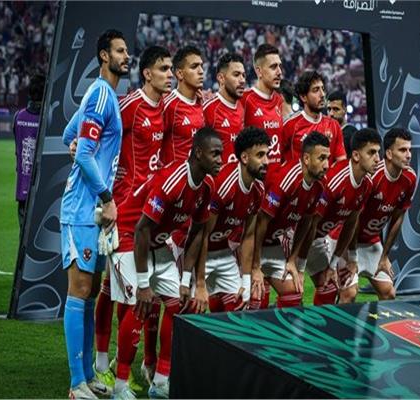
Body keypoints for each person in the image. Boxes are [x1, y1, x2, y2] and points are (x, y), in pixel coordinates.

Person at [112, 127, 222, 399]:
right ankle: (120, 385)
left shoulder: (207, 186)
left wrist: (186, 280)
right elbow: (141, 229)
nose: (221, 159)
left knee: (179, 304)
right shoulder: (172, 181)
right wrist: (143, 284)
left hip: (158, 242)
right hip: (128, 235)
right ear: (198, 153)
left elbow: (197, 233)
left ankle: (160, 381)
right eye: (215, 154)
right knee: (140, 304)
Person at [93, 45, 173, 392]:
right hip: (124, 212)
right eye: (163, 69)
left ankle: (115, 365)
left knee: (126, 293)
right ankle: (105, 367)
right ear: (147, 74)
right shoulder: (129, 105)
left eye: (171, 69)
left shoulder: (166, 108)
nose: (169, 75)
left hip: (150, 214)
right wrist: (107, 194)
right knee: (123, 294)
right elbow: (94, 136)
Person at [59, 29, 129, 399]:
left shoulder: (103, 95)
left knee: (88, 295)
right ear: (104, 55)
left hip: (94, 211)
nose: (125, 56)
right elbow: (84, 153)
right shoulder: (102, 94)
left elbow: (70, 135)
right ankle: (76, 384)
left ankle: (87, 375)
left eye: (126, 51)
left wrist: (77, 145)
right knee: (80, 291)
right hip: (83, 208)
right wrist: (107, 197)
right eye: (119, 51)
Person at [301, 128, 381, 305]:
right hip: (297, 237)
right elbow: (310, 223)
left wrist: (339, 262)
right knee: (292, 290)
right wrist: (298, 264)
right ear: (356, 155)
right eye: (372, 153)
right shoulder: (335, 181)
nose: (377, 159)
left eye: (378, 152)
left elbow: (351, 223)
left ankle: (321, 323)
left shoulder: (367, 184)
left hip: (317, 239)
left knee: (329, 288)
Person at [251, 132, 330, 309]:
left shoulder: (319, 184)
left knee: (294, 295)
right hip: (252, 245)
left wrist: (293, 261)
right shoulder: (288, 178)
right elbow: (261, 222)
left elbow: (306, 223)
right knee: (255, 299)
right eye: (322, 158)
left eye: (328, 158)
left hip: (274, 246)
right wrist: (255, 266)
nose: (326, 165)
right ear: (306, 159)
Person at [204, 127, 269, 312]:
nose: (266, 161)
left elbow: (248, 236)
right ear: (245, 158)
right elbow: (202, 235)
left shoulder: (258, 190)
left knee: (241, 303)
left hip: (223, 251)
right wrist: (199, 281)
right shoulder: (224, 185)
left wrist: (246, 280)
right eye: (260, 155)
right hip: (198, 250)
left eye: (267, 155)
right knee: (191, 307)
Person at [347, 128, 416, 302]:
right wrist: (351, 256)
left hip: (371, 242)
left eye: (409, 150)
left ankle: (376, 322)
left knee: (389, 293)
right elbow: (353, 218)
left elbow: (398, 217)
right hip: (348, 243)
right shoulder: (372, 177)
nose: (408, 155)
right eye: (403, 150)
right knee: (349, 294)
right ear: (389, 154)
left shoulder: (410, 178)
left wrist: (384, 256)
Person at [282, 70, 346, 165]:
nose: (322, 94)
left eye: (323, 89)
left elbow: (341, 162)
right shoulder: (290, 126)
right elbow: (277, 162)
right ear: (303, 97)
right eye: (316, 90)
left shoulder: (334, 125)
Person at [241, 44, 284, 171]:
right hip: (254, 177)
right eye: (273, 67)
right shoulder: (245, 99)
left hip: (276, 178)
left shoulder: (279, 100)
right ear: (259, 71)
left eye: (280, 66)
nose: (279, 72)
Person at [161, 46, 206, 165]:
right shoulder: (168, 105)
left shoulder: (201, 103)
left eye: (201, 66)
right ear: (180, 74)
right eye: (194, 66)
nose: (201, 71)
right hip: (174, 175)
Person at [13, 73, 44, 230]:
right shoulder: (46, 119)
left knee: (23, 234)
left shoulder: (18, 117)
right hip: (42, 188)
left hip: (22, 186)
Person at [203, 53, 246, 163]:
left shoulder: (243, 107)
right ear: (221, 78)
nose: (242, 80)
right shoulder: (208, 109)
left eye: (243, 75)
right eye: (236, 75)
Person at [327, 90, 358, 158]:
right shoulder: (325, 133)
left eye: (336, 109)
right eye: (329, 109)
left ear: (345, 110)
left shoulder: (352, 134)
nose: (331, 114)